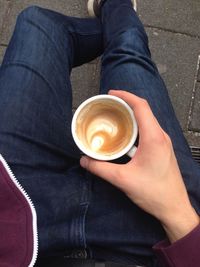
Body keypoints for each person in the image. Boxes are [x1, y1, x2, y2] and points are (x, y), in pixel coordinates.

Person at [0, 0, 199, 266]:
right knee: (129, 56)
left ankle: (114, 21)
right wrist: (178, 213)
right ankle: (117, 14)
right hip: (153, 240)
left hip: (11, 205)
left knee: (36, 22)